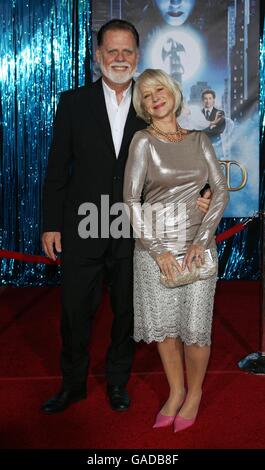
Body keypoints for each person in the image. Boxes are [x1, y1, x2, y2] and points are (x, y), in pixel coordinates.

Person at [41, 20, 211, 415]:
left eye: (127, 51)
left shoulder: (151, 102)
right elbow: (56, 169)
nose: (120, 58)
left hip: (138, 229)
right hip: (84, 223)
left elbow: (182, 157)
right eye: (112, 51)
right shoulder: (72, 102)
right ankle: (73, 384)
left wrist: (201, 196)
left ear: (137, 56)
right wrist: (51, 223)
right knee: (74, 311)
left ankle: (118, 382)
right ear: (97, 56)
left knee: (127, 313)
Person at [124, 69, 229, 432]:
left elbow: (220, 190)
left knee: (196, 329)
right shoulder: (142, 141)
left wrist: (201, 241)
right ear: (143, 105)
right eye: (147, 94)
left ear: (173, 93)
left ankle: (195, 393)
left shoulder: (200, 139)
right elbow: (130, 200)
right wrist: (157, 250)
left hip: (198, 250)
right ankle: (175, 391)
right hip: (156, 253)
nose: (155, 96)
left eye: (160, 89)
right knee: (166, 331)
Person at [201, 89, 226, 160]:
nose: (207, 101)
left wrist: (203, 129)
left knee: (216, 170)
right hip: (201, 149)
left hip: (216, 149)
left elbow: (220, 130)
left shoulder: (220, 113)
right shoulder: (198, 114)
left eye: (210, 98)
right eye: (205, 98)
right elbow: (195, 130)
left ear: (213, 100)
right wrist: (211, 127)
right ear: (202, 100)